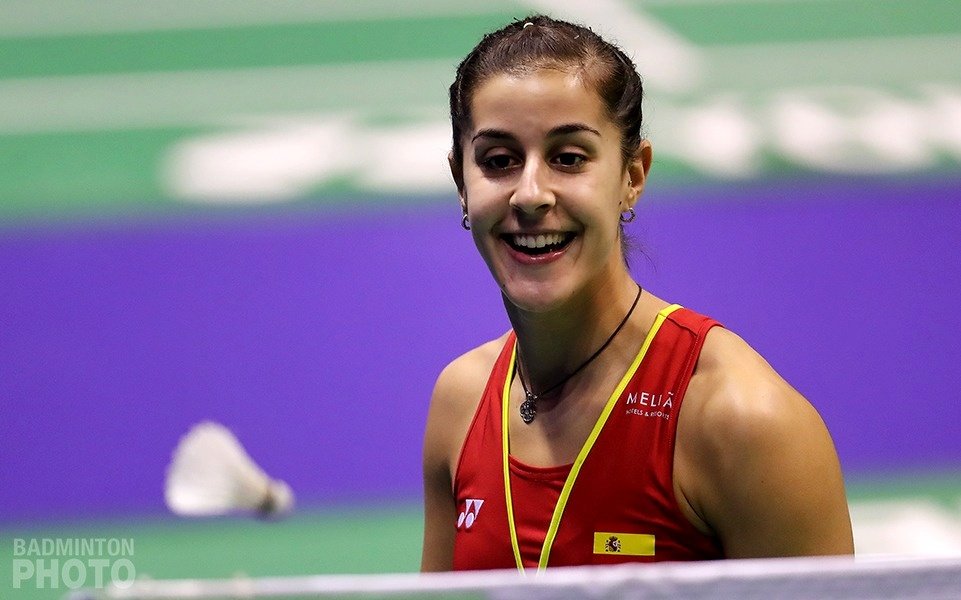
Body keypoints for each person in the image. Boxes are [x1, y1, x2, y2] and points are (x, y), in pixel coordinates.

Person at [421, 15, 853, 572]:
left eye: (569, 158)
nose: (530, 194)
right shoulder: (459, 403)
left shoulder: (741, 420)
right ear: (461, 182)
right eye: (498, 161)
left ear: (633, 175)